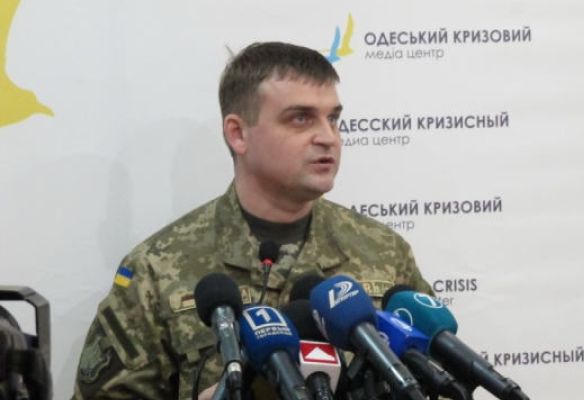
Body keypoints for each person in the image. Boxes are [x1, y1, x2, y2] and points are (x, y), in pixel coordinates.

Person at [72, 42, 433, 400]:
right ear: (238, 134)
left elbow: (437, 381)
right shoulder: (156, 267)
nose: (328, 137)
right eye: (301, 118)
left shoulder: (383, 252)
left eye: (333, 119)